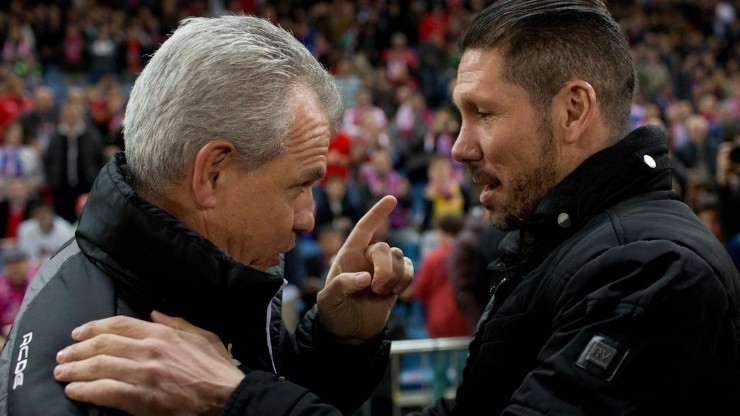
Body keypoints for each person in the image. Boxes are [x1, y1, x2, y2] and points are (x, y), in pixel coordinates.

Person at [34, 2, 740, 415]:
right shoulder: (569, 243)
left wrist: (238, 397)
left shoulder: (654, 271)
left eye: (482, 113)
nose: (459, 147)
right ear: (213, 172)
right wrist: (331, 346)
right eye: (297, 185)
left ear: (574, 109)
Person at [0, 15, 413, 416]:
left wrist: (338, 344)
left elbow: (277, 380)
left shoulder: (221, 266)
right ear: (212, 174)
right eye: (298, 186)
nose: (307, 218)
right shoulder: (87, 373)